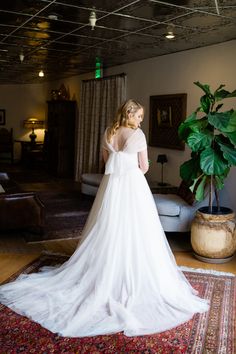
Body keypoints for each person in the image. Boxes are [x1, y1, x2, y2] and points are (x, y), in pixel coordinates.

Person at [0, 99, 209, 338]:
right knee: (137, 228)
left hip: (111, 185)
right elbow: (144, 167)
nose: (141, 120)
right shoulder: (137, 135)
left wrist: (118, 165)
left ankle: (106, 267)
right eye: (139, 116)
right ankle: (130, 269)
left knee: (108, 225)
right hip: (133, 185)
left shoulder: (109, 132)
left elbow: (104, 162)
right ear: (130, 115)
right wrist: (137, 165)